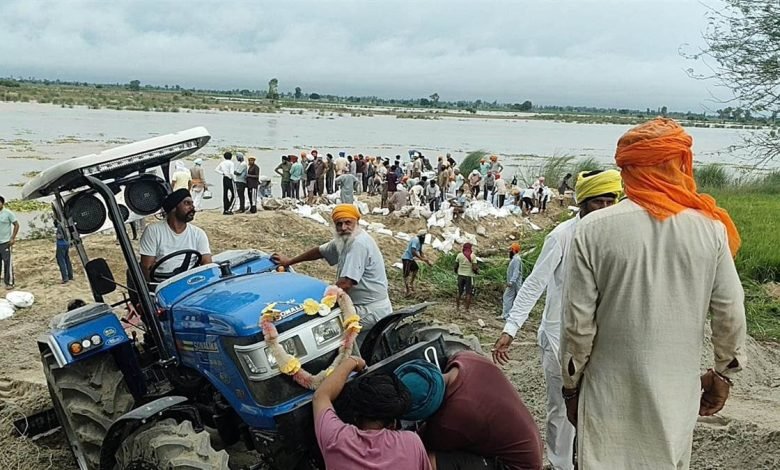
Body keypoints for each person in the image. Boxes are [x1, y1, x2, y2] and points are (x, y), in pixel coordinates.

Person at [560, 118, 746, 469]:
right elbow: (730, 312)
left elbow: (577, 326)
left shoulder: (593, 229)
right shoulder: (710, 230)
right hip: (677, 395)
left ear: (628, 169)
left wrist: (571, 387)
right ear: (681, 166)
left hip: (607, 394)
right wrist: (724, 374)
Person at [492, 169, 622, 470]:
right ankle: (560, 464)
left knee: (599, 407)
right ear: (583, 203)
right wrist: (511, 328)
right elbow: (534, 284)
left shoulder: (617, 236)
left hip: (600, 337)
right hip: (558, 338)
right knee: (562, 410)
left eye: (609, 202)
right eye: (598, 203)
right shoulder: (562, 236)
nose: (604, 209)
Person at [395, 356, 543, 470]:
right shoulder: (464, 359)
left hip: (515, 467)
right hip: (529, 444)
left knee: (426, 460)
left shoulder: (452, 419)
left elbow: (420, 445)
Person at [272, 205, 392, 342]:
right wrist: (289, 262)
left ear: (357, 222)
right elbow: (320, 251)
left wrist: (319, 302)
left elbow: (346, 283)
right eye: (339, 224)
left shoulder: (358, 244)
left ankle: (349, 361)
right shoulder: (345, 239)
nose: (343, 227)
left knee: (323, 330)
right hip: (361, 306)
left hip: (370, 310)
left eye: (348, 223)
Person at [314, 356, 432, 470]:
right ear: (393, 424)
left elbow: (321, 396)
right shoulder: (412, 443)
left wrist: (353, 361)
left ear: (355, 416)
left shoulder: (336, 438)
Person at [139, 189, 212, 281]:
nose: (192, 207)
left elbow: (207, 264)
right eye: (187, 203)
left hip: (189, 283)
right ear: (173, 208)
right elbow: (146, 267)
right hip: (161, 284)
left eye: (192, 204)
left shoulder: (198, 233)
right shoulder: (153, 231)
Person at [401, 230, 431, 296]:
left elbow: (420, 252)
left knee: (416, 269)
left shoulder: (420, 242)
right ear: (422, 236)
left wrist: (427, 260)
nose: (425, 237)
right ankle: (407, 290)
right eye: (424, 236)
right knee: (406, 274)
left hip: (410, 259)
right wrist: (421, 258)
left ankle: (411, 283)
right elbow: (413, 251)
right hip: (406, 258)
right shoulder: (415, 240)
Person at [0, 196, 19, 289]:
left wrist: (13, 238)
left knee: (7, 262)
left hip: (6, 242)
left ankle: (9, 283)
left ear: (2, 203)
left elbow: (16, 224)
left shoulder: (8, 213)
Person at [500, 243, 522, 320]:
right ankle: (510, 315)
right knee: (514, 298)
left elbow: (516, 272)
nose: (510, 251)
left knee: (507, 297)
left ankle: (506, 315)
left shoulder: (516, 259)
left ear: (514, 250)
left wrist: (511, 281)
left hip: (513, 283)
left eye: (511, 249)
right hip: (514, 282)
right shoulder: (515, 259)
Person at [455, 242, 477, 312]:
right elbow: (474, 268)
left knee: (459, 291)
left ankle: (457, 308)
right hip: (469, 276)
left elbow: (455, 266)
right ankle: (466, 309)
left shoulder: (459, 255)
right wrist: (476, 272)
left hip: (460, 275)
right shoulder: (473, 256)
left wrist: (456, 272)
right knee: (468, 293)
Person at [55, 220, 74, 284]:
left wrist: (57, 235)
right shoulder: (66, 223)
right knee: (67, 259)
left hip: (61, 244)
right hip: (67, 243)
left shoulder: (59, 225)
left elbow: (60, 236)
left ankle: (65, 278)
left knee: (61, 260)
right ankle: (70, 276)